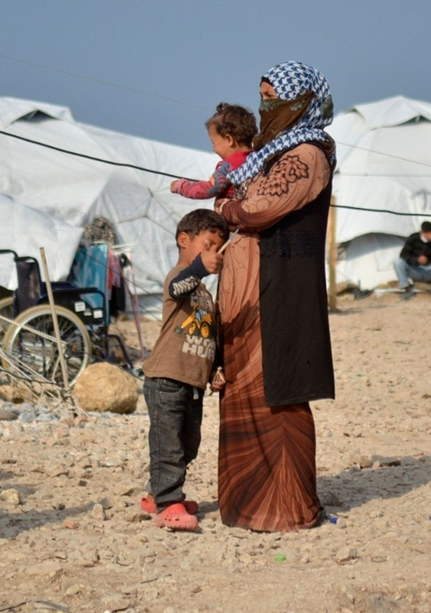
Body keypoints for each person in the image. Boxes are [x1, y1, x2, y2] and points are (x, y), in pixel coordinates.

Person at [215, 61, 336, 532]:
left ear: (302, 102)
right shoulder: (268, 155)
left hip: (281, 289)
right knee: (243, 391)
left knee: (280, 394)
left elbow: (261, 208)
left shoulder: (306, 154)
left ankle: (288, 506)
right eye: (262, 97)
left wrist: (226, 207)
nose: (266, 107)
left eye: (274, 98)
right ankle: (247, 501)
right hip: (251, 292)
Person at [137, 209, 226, 531]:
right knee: (169, 447)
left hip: (193, 383)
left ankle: (157, 494)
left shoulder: (204, 294)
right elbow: (178, 287)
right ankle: (168, 503)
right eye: (208, 245)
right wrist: (201, 267)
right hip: (166, 378)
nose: (214, 252)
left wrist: (215, 369)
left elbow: (209, 334)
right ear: (184, 240)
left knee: (188, 445)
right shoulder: (180, 277)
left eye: (219, 248)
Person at [170, 103, 258, 200]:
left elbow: (209, 189)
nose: (213, 149)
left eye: (214, 143)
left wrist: (181, 186)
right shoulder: (258, 159)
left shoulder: (229, 166)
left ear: (229, 140)